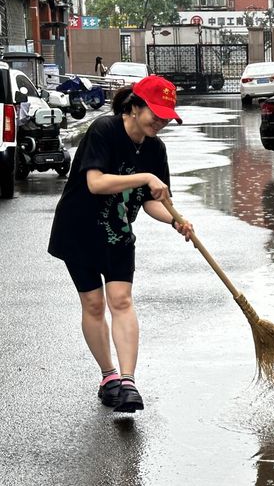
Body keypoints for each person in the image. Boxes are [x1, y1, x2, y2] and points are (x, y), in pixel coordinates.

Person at [48, 75, 193, 413]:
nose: (159, 122)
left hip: (118, 233)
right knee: (95, 305)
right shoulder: (104, 130)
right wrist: (144, 177)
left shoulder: (155, 149)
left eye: (165, 117)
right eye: (154, 113)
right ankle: (109, 377)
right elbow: (96, 183)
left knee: (121, 299)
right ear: (133, 107)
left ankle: (128, 382)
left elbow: (151, 201)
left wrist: (176, 219)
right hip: (78, 229)